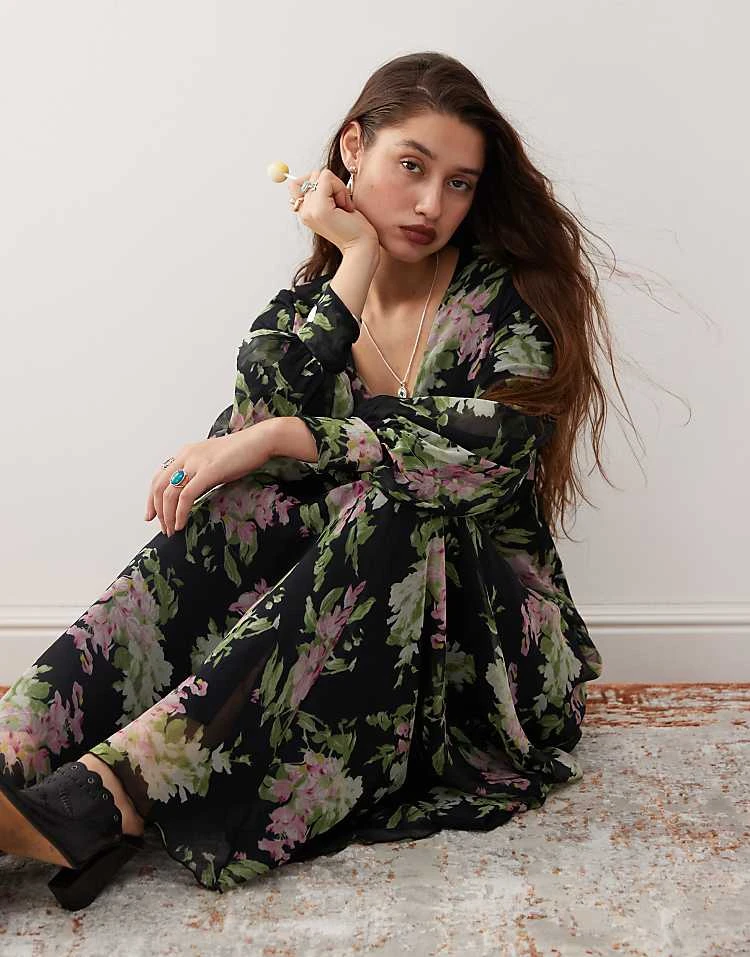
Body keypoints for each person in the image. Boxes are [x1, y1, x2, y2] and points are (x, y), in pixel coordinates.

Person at [0, 51, 609, 910]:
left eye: (459, 184)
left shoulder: (503, 304)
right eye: (412, 166)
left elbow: (487, 453)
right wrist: (352, 260)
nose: (432, 205)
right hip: (345, 637)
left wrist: (284, 437)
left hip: (486, 649)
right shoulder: (312, 307)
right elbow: (260, 417)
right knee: (243, 500)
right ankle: (16, 748)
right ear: (353, 148)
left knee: (400, 499)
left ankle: (110, 796)